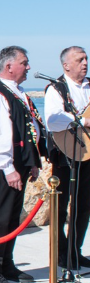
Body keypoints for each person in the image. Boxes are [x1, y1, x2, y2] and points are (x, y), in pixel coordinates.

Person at [0, 46, 45, 283]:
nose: (28, 67)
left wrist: (32, 161)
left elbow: (27, 128)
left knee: (12, 217)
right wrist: (9, 168)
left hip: (20, 163)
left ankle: (6, 265)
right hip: (4, 166)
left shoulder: (17, 91)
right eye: (24, 63)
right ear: (9, 66)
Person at [44, 45, 90, 271]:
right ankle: (61, 253)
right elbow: (53, 121)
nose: (85, 63)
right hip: (64, 155)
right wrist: (82, 120)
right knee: (60, 207)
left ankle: (75, 251)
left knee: (84, 206)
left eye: (86, 59)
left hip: (88, 152)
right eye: (80, 59)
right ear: (66, 65)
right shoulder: (56, 89)